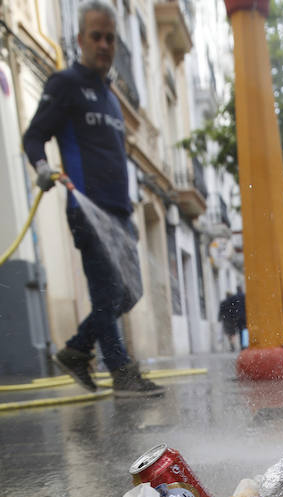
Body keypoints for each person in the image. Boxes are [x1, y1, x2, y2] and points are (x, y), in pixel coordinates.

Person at [22, 0, 163, 397]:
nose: (104, 45)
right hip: (87, 208)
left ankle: (76, 350)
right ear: (81, 39)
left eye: (110, 38)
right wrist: (41, 166)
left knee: (129, 291)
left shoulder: (110, 95)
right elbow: (34, 135)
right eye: (96, 36)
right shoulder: (65, 84)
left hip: (119, 210)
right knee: (107, 293)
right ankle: (121, 372)